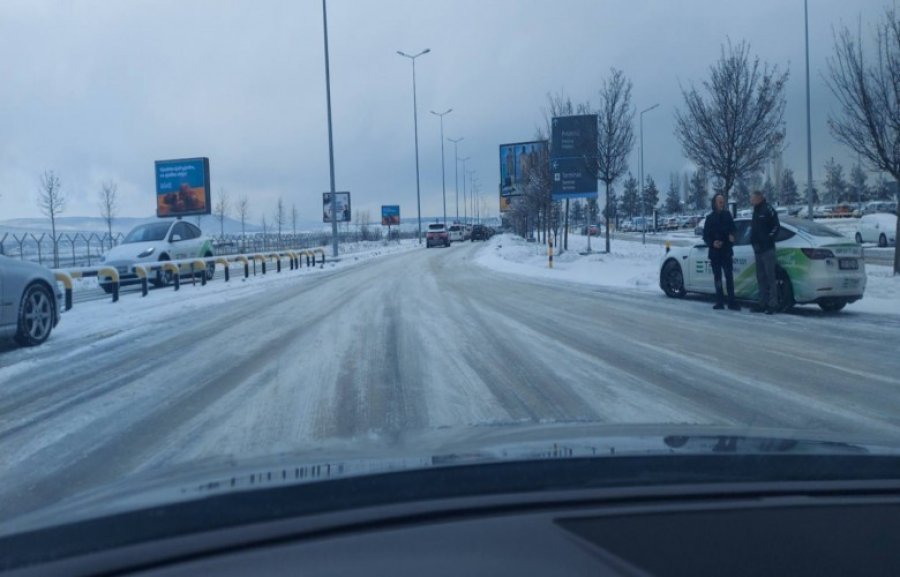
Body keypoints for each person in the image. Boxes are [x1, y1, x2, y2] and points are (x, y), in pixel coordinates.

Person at [703, 193, 740, 311]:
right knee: (717, 277)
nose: (722, 204)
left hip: (726, 251)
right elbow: (705, 236)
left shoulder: (727, 215)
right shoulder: (709, 218)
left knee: (729, 276)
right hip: (715, 253)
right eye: (720, 202)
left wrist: (732, 236)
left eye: (723, 202)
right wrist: (712, 243)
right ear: (715, 203)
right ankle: (719, 301)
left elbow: (733, 229)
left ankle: (731, 302)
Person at [749, 190, 781, 314]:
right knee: (760, 277)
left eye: (752, 198)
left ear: (759, 198)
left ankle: (773, 304)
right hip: (758, 250)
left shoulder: (768, 209)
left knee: (770, 277)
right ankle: (762, 303)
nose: (751, 200)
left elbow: (776, 227)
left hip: (767, 249)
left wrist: (768, 239)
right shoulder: (756, 211)